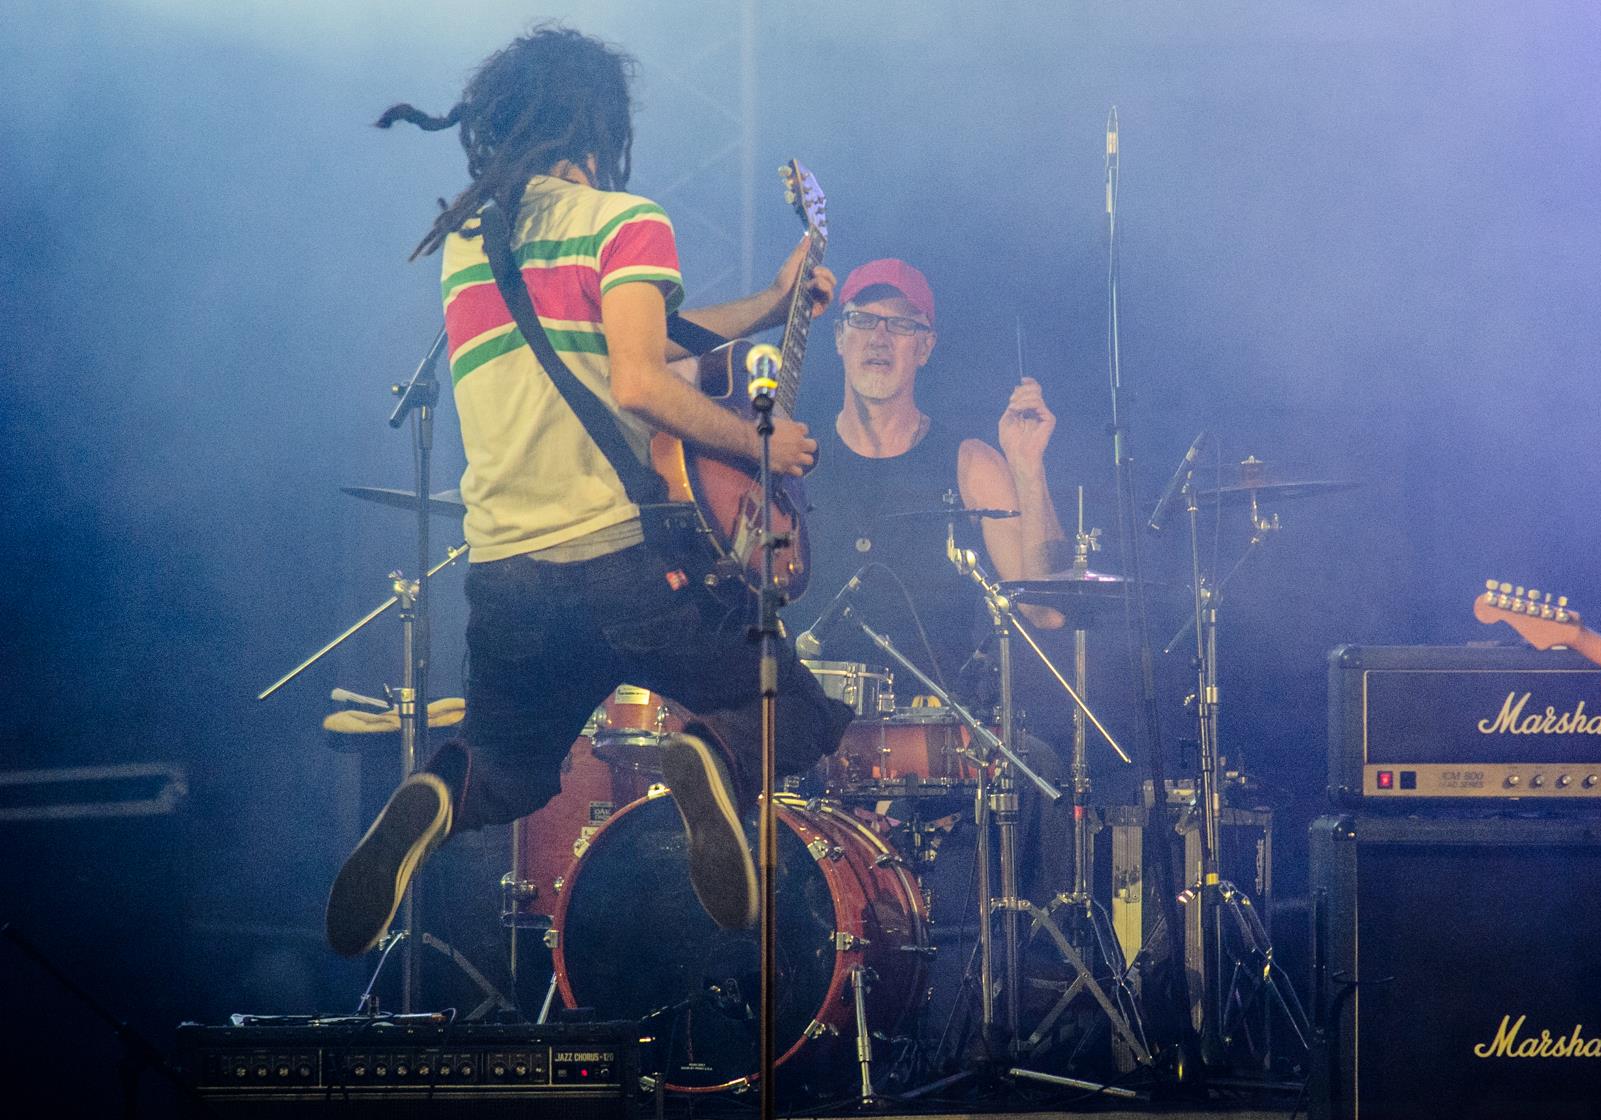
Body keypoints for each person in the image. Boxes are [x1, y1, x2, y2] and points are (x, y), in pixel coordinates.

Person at [324, 25, 851, 958]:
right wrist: (763, 443)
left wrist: (771, 307)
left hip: (507, 578)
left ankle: (437, 791)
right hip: (622, 566)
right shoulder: (622, 218)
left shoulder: (470, 243)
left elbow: (631, 333)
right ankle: (708, 758)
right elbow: (639, 379)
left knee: (507, 774)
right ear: (599, 126)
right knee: (794, 708)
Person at [786, 258, 1066, 683]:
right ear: (840, 337)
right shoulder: (793, 457)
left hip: (929, 722)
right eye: (863, 320)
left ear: (925, 347)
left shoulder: (970, 463)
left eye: (901, 325)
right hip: (798, 716)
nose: (879, 338)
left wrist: (1028, 467)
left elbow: (1046, 612)